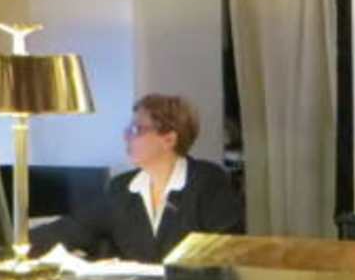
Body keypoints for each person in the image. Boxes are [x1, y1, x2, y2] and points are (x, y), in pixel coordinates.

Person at [32, 93, 243, 262]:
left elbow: (226, 252)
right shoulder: (122, 187)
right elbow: (75, 228)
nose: (126, 136)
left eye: (136, 129)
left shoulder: (207, 181)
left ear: (169, 139)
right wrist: (18, 246)